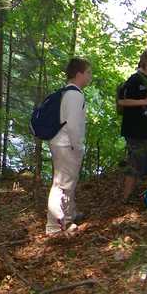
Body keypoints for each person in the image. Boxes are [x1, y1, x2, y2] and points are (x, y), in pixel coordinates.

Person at [45, 58, 92, 235]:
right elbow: (72, 125)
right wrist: (77, 146)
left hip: (62, 143)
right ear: (79, 74)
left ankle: (70, 215)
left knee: (67, 183)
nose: (90, 77)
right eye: (88, 73)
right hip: (67, 145)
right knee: (62, 186)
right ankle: (54, 227)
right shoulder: (75, 95)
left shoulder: (68, 92)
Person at [118, 49, 147, 202]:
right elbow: (121, 101)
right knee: (134, 163)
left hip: (145, 126)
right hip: (133, 128)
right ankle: (126, 197)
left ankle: (133, 194)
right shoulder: (134, 79)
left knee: (142, 162)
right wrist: (145, 101)